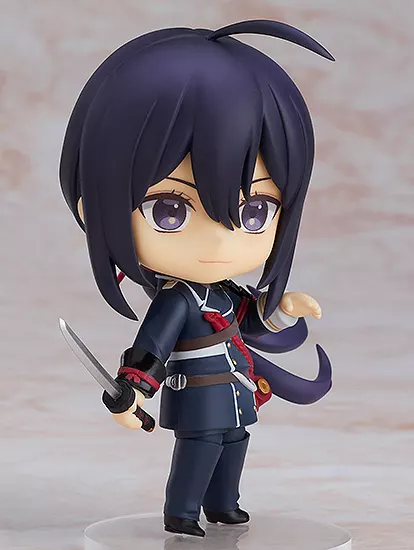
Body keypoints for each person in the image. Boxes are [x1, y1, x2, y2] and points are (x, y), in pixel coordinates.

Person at [59, 19, 334, 537]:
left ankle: (223, 504)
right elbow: (151, 348)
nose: (220, 241)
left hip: (236, 390)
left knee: (235, 443)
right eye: (170, 209)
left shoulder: (223, 292)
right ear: (93, 205)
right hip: (198, 393)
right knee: (201, 447)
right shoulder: (177, 299)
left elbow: (246, 319)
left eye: (255, 211)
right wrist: (131, 391)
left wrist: (282, 309)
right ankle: (182, 511)